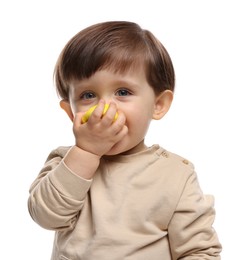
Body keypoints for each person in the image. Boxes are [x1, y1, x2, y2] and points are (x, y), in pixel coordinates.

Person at [28, 21, 222, 259]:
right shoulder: (65, 164)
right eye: (88, 95)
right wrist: (86, 151)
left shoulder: (176, 175)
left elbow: (199, 251)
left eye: (123, 92)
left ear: (158, 105)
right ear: (71, 113)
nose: (105, 107)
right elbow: (46, 216)